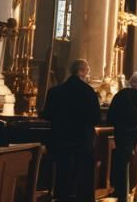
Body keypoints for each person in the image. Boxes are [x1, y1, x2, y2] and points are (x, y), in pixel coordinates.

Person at [41, 58, 100, 202]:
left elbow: (47, 114)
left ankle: (60, 196)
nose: (87, 73)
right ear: (82, 71)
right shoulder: (88, 92)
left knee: (62, 173)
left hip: (60, 140)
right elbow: (96, 118)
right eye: (87, 70)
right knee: (81, 177)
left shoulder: (55, 91)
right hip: (82, 142)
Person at [106, 77, 137, 202]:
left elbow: (111, 116)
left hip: (120, 132)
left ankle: (121, 191)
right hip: (134, 132)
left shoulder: (120, 95)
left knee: (120, 162)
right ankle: (128, 192)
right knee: (129, 162)